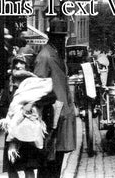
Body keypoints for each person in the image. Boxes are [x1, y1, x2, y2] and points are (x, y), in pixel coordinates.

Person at [33, 19, 76, 177]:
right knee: (48, 162)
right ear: (51, 37)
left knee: (57, 160)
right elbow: (38, 88)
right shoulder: (45, 56)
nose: (61, 40)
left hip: (61, 117)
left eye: (62, 37)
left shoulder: (56, 54)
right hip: (52, 117)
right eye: (58, 37)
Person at [1, 55, 53, 178]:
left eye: (22, 63)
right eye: (16, 63)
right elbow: (3, 102)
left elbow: (50, 98)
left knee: (28, 167)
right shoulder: (9, 81)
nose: (18, 66)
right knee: (12, 167)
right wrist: (11, 116)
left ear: (28, 65)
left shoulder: (36, 82)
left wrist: (32, 103)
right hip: (13, 130)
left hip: (28, 131)